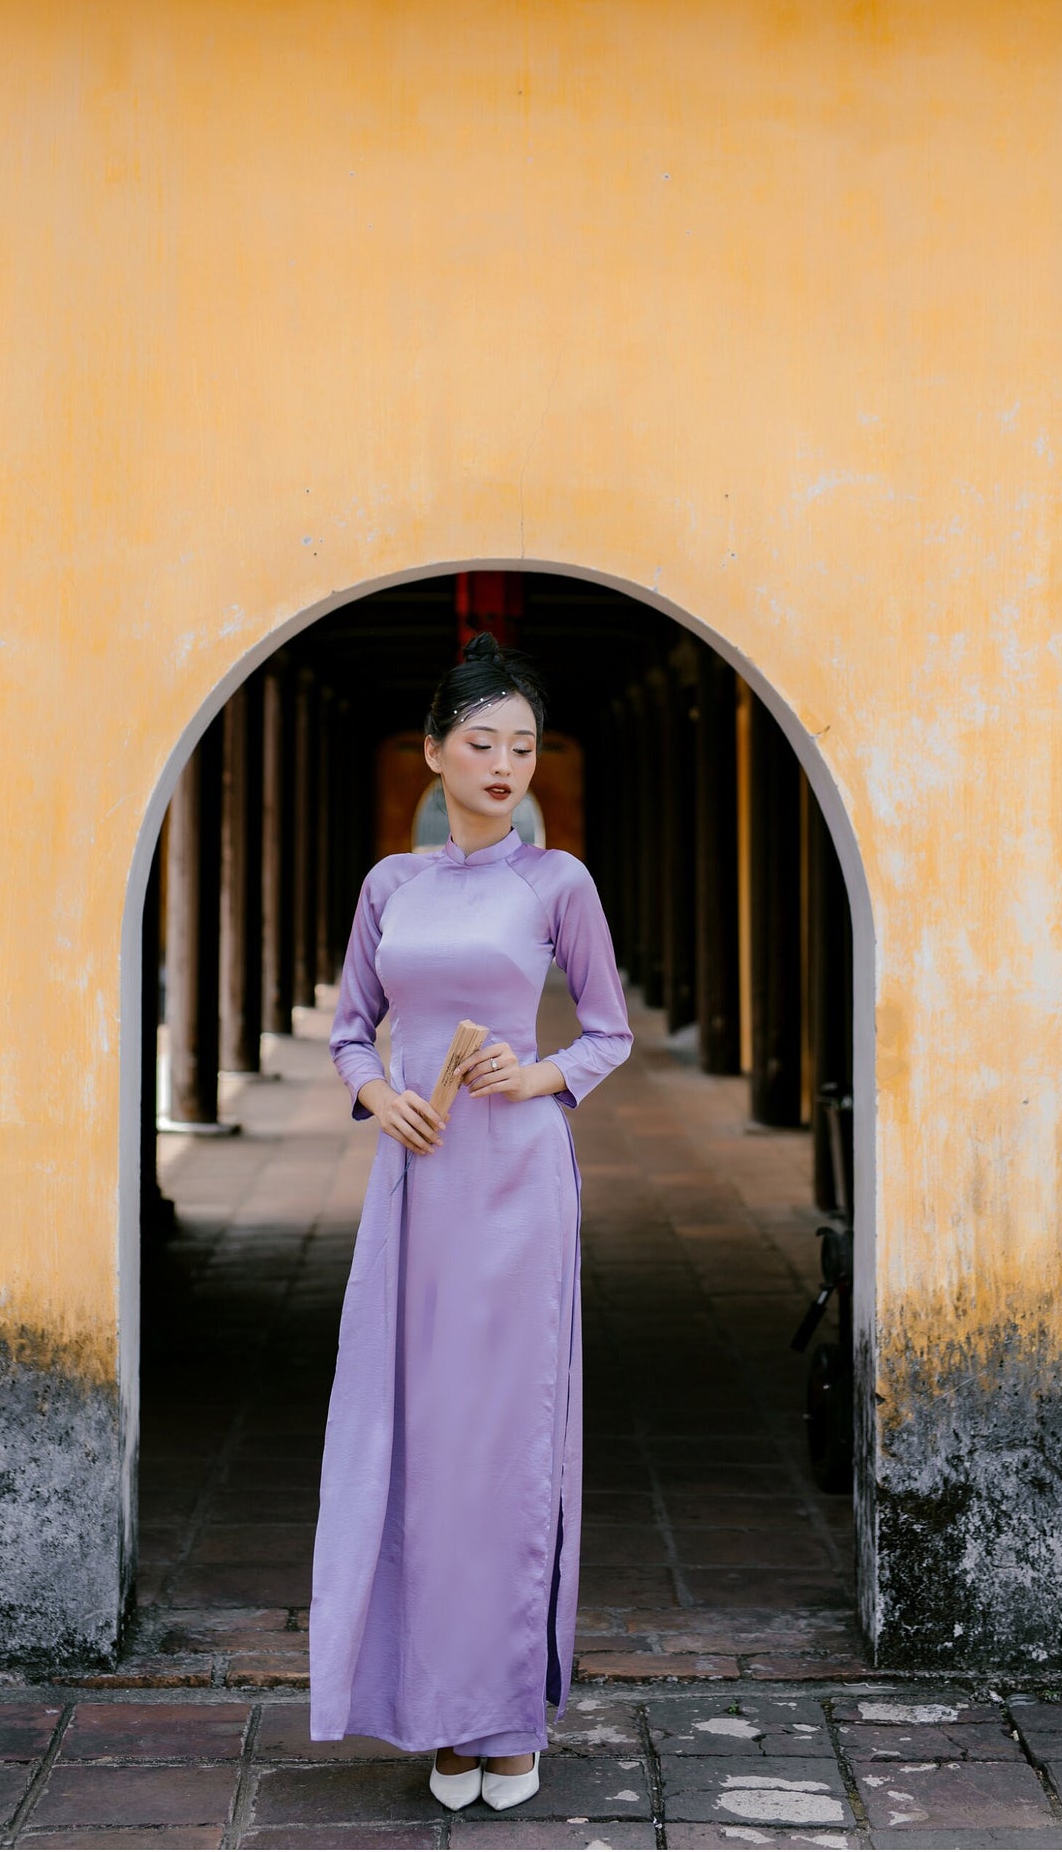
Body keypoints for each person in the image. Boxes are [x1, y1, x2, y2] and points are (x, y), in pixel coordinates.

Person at [308, 632, 633, 1811]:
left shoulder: (558, 883)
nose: (504, 762)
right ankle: (439, 1710)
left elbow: (605, 1031)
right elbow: (351, 1025)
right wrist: (374, 1091)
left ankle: (506, 1714)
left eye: (524, 744)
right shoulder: (388, 886)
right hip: (415, 1184)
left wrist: (532, 1075)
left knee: (509, 1443)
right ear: (433, 752)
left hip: (515, 1188)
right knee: (420, 1446)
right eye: (481, 741)